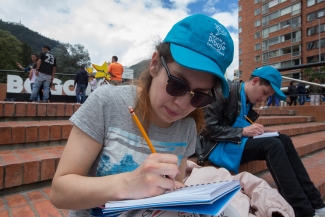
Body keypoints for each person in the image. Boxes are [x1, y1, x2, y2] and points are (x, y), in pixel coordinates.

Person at [50, 14, 235, 217]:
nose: (182, 104)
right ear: (155, 63)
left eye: (200, 97)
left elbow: (173, 186)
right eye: (177, 84)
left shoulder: (187, 126)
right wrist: (129, 183)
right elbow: (60, 192)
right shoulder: (107, 102)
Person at [196, 66, 325, 217]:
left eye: (268, 96)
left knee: (283, 139)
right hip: (216, 146)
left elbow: (237, 123)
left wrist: (259, 131)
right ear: (255, 81)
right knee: (273, 145)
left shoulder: (247, 99)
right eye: (265, 93)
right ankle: (303, 210)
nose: (264, 99)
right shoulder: (225, 92)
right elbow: (207, 129)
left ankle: (316, 203)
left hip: (233, 141)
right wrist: (243, 131)